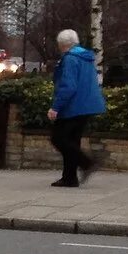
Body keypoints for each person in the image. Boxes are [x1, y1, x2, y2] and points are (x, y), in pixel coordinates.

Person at [47, 27, 106, 187]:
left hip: (74, 106)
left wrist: (56, 107)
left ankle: (86, 163)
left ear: (63, 44)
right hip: (88, 104)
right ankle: (69, 177)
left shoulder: (71, 59)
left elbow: (68, 86)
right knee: (72, 140)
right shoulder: (86, 58)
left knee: (58, 139)